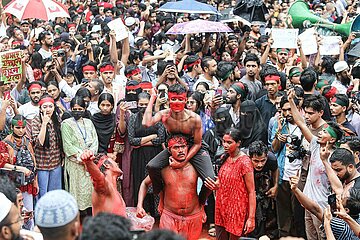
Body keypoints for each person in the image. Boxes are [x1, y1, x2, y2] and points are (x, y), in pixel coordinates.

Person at [143, 84, 215, 202]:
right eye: (173, 99)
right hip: (174, 146)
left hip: (193, 147)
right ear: (169, 100)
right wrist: (152, 98)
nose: (177, 102)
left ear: (185, 100)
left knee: (210, 179)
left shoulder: (194, 119)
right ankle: (161, 194)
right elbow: (146, 123)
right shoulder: (164, 114)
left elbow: (197, 144)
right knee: (152, 166)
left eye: (180, 99)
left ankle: (200, 202)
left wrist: (183, 161)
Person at [288, 89, 344, 240]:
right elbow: (300, 123)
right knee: (311, 237)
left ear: (332, 140)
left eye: (325, 132)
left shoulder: (335, 159)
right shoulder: (314, 145)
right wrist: (291, 101)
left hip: (322, 206)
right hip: (308, 202)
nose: (320, 133)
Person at [137, 135, 206, 240]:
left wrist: (202, 206)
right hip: (169, 216)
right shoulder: (162, 168)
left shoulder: (196, 167)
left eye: (183, 146)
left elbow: (208, 184)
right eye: (176, 147)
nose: (181, 150)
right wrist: (139, 205)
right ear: (169, 150)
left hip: (193, 216)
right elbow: (144, 184)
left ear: (188, 147)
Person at [205, 128, 256, 239]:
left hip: (237, 210)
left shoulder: (245, 162)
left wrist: (251, 218)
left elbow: (251, 191)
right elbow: (222, 180)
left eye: (229, 142)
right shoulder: (223, 157)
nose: (225, 145)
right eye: (224, 141)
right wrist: (217, 185)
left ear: (238, 143)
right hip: (221, 208)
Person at [61, 96, 98, 219]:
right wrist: (82, 157)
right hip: (75, 164)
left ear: (84, 109)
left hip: (90, 163)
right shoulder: (66, 124)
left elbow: (95, 141)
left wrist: (90, 155)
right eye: (74, 109)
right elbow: (68, 146)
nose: (77, 111)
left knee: (90, 193)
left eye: (80, 109)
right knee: (76, 194)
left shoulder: (89, 122)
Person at [128, 92, 165, 207]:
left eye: (146, 104)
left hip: (155, 155)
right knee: (140, 181)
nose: (143, 107)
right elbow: (131, 140)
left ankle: (158, 211)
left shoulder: (157, 116)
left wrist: (140, 142)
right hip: (139, 156)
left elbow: (161, 139)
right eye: (141, 104)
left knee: (156, 182)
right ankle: (142, 209)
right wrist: (151, 137)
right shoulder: (133, 118)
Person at [3, 115, 37, 229]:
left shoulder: (27, 141)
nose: (21, 130)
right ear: (12, 127)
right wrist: (20, 169)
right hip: (12, 184)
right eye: (18, 127)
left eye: (23, 128)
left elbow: (33, 163)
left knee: (28, 214)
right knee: (14, 214)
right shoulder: (6, 142)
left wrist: (35, 182)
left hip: (27, 184)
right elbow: (2, 164)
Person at [31, 95, 62, 198]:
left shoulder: (57, 119)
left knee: (55, 193)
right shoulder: (36, 121)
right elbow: (39, 143)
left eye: (50, 106)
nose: (48, 109)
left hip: (56, 162)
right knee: (42, 194)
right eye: (45, 107)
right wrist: (44, 123)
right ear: (40, 108)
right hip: (42, 164)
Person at [81, 150, 126, 217]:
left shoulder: (113, 188)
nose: (116, 162)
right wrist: (88, 162)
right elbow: (99, 179)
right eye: (113, 161)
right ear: (107, 165)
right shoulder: (104, 188)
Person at [248, 140, 278, 238]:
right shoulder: (243, 160)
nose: (260, 164)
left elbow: (275, 169)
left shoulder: (271, 159)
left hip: (262, 180)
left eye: (262, 161)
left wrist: (276, 185)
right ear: (250, 157)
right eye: (256, 161)